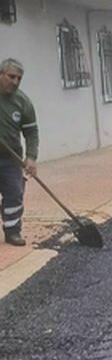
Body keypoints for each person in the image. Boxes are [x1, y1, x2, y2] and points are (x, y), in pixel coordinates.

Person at [0, 58, 39, 247]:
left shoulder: (23, 102)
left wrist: (31, 157)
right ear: (1, 75)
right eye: (11, 77)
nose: (15, 81)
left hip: (10, 158)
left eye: (19, 78)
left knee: (14, 194)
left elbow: (31, 132)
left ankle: (13, 232)